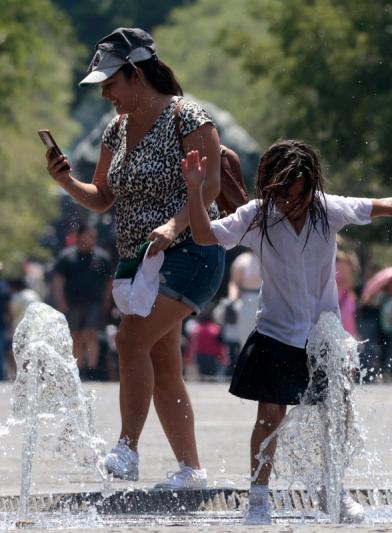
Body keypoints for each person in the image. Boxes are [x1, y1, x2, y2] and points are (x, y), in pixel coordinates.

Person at [181, 139, 392, 524]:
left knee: (336, 415)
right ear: (270, 188)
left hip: (322, 338)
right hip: (276, 333)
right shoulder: (257, 215)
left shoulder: (326, 210)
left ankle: (333, 491)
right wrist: (195, 191)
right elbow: (204, 235)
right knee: (269, 417)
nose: (291, 202)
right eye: (283, 194)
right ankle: (259, 498)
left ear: (312, 187)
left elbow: (379, 207)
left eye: (299, 194)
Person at [45, 27, 225, 489]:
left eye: (110, 83)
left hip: (192, 252)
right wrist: (67, 181)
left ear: (136, 74)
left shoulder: (188, 116)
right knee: (162, 363)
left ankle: (127, 449)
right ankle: (192, 470)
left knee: (128, 342)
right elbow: (103, 196)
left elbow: (210, 186)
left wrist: (174, 224)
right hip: (140, 263)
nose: (106, 93)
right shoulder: (115, 129)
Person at [51, 223, 113, 380]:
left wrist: (108, 301)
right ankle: (79, 369)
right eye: (89, 235)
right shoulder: (66, 257)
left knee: (91, 334)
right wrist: (60, 301)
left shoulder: (102, 257)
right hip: (72, 303)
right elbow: (58, 281)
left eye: (94, 236)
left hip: (95, 303)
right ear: (79, 236)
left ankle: (92, 370)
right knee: (76, 336)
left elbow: (109, 282)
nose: (92, 239)